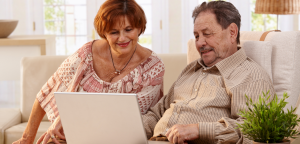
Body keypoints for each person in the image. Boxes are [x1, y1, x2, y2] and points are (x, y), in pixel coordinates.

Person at [13, 0, 165, 144]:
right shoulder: (87, 54)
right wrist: (26, 139)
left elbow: (126, 119)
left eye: (128, 29)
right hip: (76, 134)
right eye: (114, 32)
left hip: (121, 138)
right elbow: (46, 92)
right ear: (104, 32)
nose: (122, 38)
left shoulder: (153, 67)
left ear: (139, 28)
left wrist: (69, 118)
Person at [142, 1, 274, 144]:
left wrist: (199, 130)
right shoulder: (191, 70)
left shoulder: (250, 75)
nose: (199, 43)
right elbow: (157, 113)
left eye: (207, 34)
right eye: (197, 36)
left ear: (232, 32)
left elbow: (253, 130)